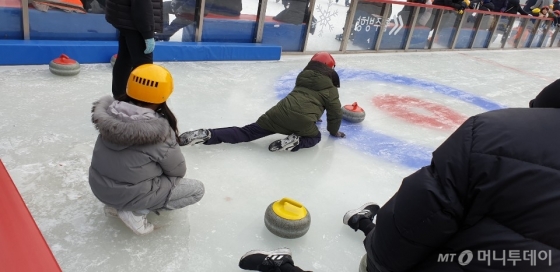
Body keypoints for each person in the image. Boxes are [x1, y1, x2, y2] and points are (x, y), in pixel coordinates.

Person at [239, 79, 560, 271]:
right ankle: (361, 221)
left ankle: (286, 263)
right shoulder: (498, 137)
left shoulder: (496, 132)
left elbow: (418, 216)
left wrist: (379, 259)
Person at [88, 64, 205, 235]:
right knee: (197, 190)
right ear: (163, 96)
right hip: (127, 195)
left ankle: (118, 206)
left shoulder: (110, 115)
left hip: (99, 188)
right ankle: (135, 211)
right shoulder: (160, 131)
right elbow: (178, 170)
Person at [179, 52, 345, 152]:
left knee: (246, 132)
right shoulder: (330, 89)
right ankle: (295, 141)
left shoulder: (302, 78)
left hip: (277, 114)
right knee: (315, 137)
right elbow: (335, 113)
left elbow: (304, 99)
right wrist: (333, 132)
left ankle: (208, 134)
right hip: (302, 124)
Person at [104, 0, 163, 98]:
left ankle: (120, 97)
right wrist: (147, 32)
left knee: (125, 59)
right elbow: (141, 4)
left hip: (125, 16)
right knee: (144, 67)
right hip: (135, 22)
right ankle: (142, 102)